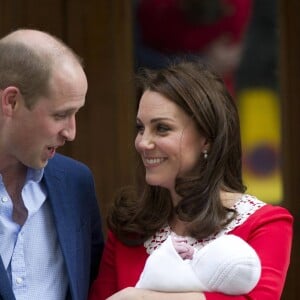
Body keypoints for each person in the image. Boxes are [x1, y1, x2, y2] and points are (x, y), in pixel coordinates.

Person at [88, 60, 293, 300]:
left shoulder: (265, 223)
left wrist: (141, 298)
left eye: (162, 128)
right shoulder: (130, 227)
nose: (143, 142)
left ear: (206, 138)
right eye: (140, 128)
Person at [0, 29, 104, 300]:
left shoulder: (76, 183)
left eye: (76, 114)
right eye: (61, 115)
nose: (71, 133)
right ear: (11, 101)